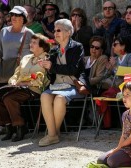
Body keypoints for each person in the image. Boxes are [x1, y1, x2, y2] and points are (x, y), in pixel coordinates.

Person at [38, 19, 88, 147]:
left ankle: (52, 134)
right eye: (54, 30)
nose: (55, 33)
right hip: (58, 85)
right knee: (44, 95)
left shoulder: (77, 46)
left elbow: (73, 69)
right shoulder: (54, 49)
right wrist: (47, 68)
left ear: (68, 32)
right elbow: (52, 75)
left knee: (60, 99)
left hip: (74, 85)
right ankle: (53, 134)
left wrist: (52, 66)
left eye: (58, 30)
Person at [0, 33, 50, 142]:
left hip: (34, 89)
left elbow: (43, 77)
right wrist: (13, 81)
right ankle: (8, 126)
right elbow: (16, 73)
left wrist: (26, 83)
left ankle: (20, 127)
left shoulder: (46, 59)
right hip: (18, 87)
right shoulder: (26, 58)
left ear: (42, 47)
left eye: (34, 42)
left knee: (9, 98)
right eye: (31, 42)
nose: (31, 44)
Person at [96, 82, 131, 167]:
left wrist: (116, 150)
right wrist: (118, 148)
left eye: (128, 95)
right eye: (123, 95)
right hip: (126, 147)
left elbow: (130, 138)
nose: (124, 98)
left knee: (111, 161)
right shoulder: (125, 114)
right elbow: (124, 135)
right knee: (101, 160)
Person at [0, 6, 34, 87]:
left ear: (23, 18)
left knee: (13, 98)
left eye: (17, 15)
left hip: (20, 74)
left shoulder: (29, 33)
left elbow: (35, 53)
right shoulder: (4, 31)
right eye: (12, 15)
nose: (13, 17)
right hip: (3, 72)